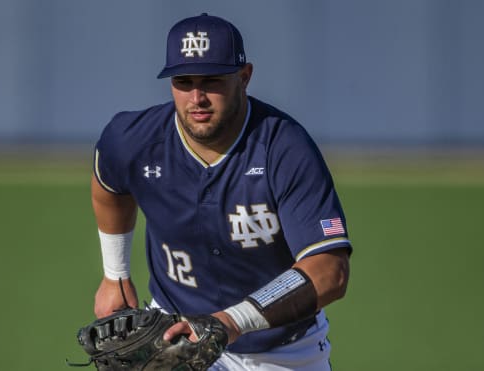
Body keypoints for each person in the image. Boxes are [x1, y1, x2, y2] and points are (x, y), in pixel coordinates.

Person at [91, 13, 352, 371]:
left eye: (211, 80)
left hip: (283, 353)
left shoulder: (285, 148)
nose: (196, 97)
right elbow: (108, 181)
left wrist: (231, 321)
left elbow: (329, 271)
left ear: (244, 77)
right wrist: (115, 274)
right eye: (183, 81)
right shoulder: (134, 139)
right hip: (175, 337)